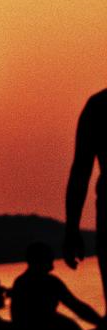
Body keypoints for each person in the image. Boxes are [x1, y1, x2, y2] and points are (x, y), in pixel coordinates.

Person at [10, 241, 102, 330]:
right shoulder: (48, 282)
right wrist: (101, 323)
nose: (52, 266)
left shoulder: (20, 282)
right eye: (49, 261)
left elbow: (77, 306)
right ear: (39, 261)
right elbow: (76, 306)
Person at [64, 88, 107, 309]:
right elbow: (80, 173)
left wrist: (72, 229)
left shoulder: (98, 106)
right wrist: (71, 230)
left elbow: (80, 172)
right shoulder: (97, 106)